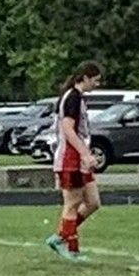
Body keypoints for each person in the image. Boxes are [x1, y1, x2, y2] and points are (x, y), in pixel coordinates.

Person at [45, 61, 103, 262]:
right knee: (73, 202)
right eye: (95, 80)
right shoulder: (72, 98)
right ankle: (71, 248)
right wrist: (84, 153)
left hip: (79, 158)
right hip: (70, 158)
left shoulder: (78, 97)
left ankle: (61, 236)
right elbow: (68, 129)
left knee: (93, 202)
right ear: (85, 78)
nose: (97, 85)